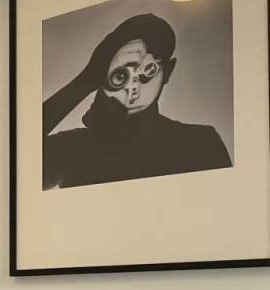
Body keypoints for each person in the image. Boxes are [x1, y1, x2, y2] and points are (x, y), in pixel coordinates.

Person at [42, 12, 231, 189]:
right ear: (103, 73)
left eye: (148, 71)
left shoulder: (198, 143)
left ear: (168, 71)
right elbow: (25, 160)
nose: (132, 88)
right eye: (120, 75)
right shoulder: (73, 148)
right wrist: (86, 80)